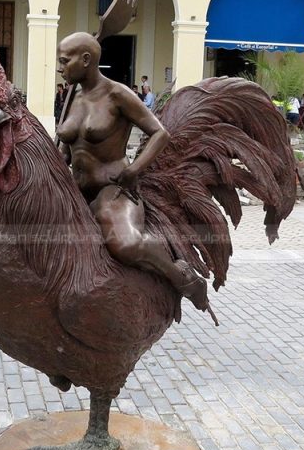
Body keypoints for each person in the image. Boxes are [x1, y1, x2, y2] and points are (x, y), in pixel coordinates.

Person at [56, 32, 209, 310]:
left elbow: (159, 134)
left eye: (64, 61)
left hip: (113, 189)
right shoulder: (72, 98)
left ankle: (184, 278)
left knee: (125, 244)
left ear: (86, 59)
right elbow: (68, 149)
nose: (60, 67)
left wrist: (135, 170)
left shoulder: (118, 94)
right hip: (76, 192)